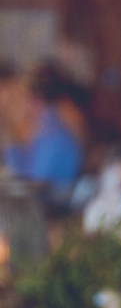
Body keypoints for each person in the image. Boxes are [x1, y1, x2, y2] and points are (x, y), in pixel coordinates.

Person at [2, 61, 87, 211]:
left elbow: (30, 188)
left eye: (7, 106)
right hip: (32, 204)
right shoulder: (27, 128)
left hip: (54, 211)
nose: (3, 112)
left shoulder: (51, 135)